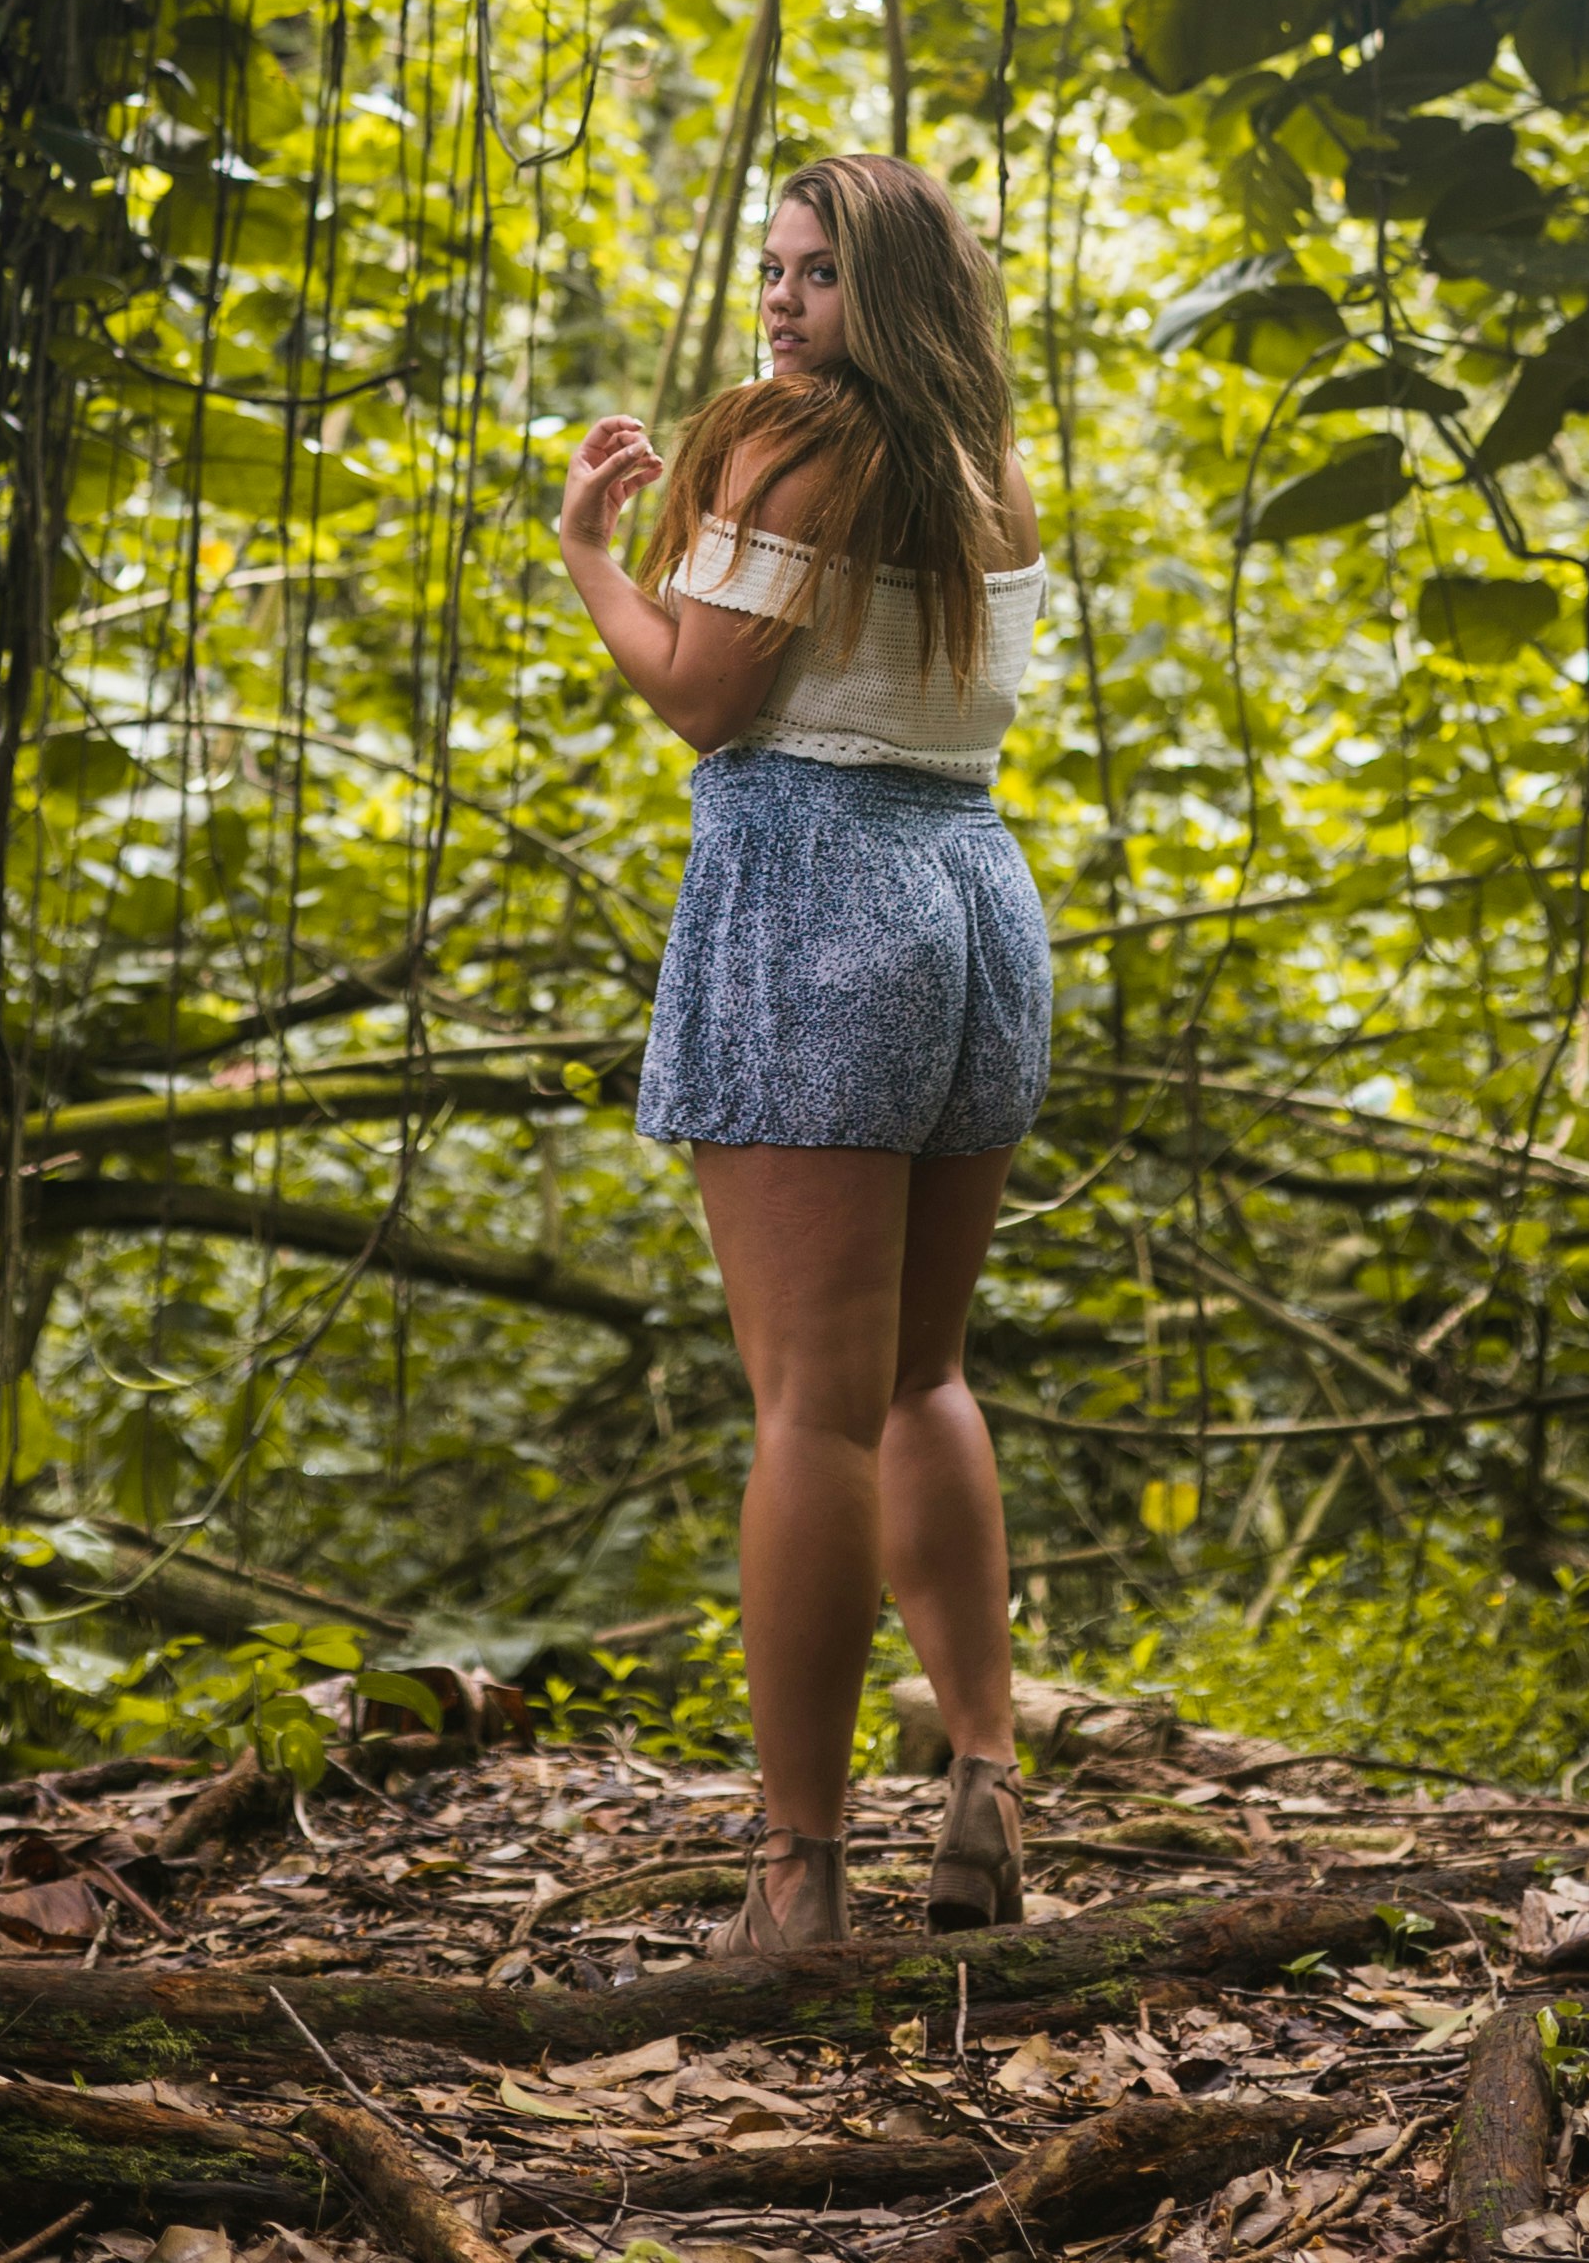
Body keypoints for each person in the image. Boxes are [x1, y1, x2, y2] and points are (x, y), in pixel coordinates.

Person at [557, 151, 1052, 1952]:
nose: (780, 302)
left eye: (820, 273)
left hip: (819, 897)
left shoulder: (792, 447)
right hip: (974, 895)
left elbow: (701, 693)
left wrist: (592, 559)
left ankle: (797, 1875)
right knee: (923, 1374)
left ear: (892, 291)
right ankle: (985, 1779)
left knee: (810, 1408)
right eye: (774, 268)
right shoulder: (985, 466)